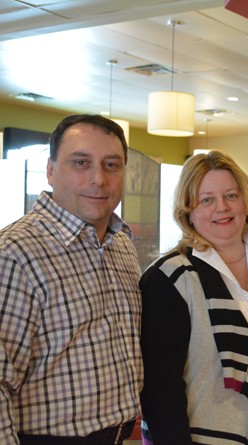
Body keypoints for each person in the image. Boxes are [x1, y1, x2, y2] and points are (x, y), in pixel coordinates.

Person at [139, 150, 248, 445]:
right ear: (187, 210)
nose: (222, 207)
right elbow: (160, 390)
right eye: (206, 200)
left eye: (231, 195)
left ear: (245, 201)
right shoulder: (171, 279)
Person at [0, 114, 142, 444]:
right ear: (50, 170)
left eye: (111, 165)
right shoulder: (14, 253)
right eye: (81, 163)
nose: (98, 179)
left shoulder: (121, 244)